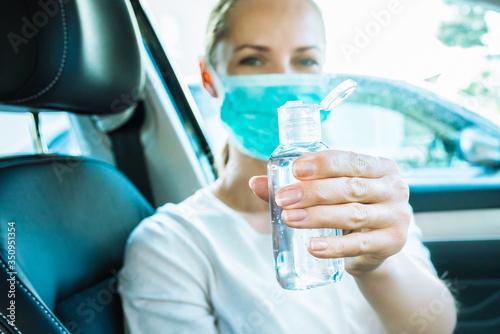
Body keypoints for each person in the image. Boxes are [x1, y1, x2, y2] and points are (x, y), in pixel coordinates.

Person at [118, 0, 457, 333]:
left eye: (305, 60)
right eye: (253, 59)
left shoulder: (363, 202)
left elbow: (434, 326)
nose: (282, 79)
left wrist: (377, 266)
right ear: (208, 76)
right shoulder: (170, 244)